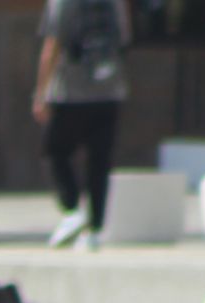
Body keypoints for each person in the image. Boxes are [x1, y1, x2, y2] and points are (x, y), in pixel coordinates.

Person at [33, 0, 131, 251]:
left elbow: (52, 44)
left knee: (54, 150)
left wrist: (41, 92)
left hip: (70, 93)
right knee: (100, 161)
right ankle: (94, 230)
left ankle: (71, 209)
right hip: (110, 90)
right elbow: (123, 39)